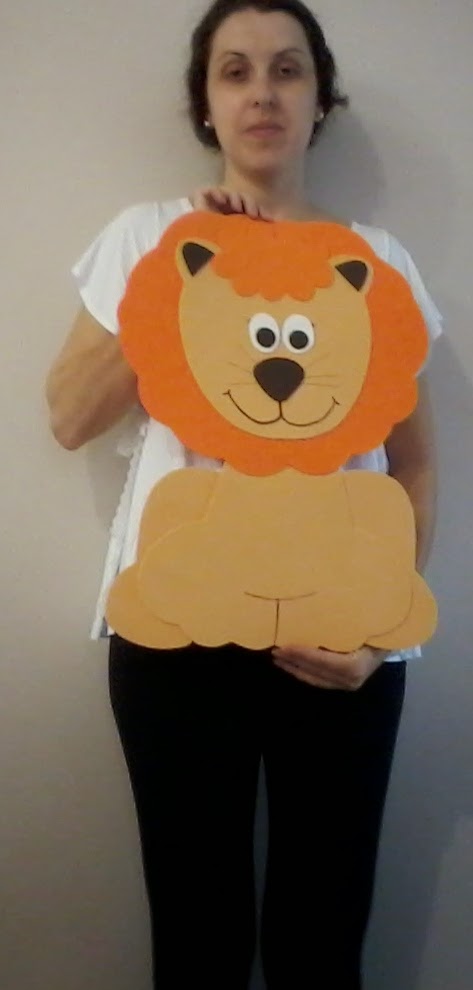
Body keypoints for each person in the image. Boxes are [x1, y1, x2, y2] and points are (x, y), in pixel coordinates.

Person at [45, 1, 442, 987]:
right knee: (196, 936)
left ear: (319, 100)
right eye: (234, 71)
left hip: (341, 640)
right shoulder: (150, 237)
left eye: (286, 69)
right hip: (174, 631)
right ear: (206, 106)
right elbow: (70, 416)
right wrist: (182, 272)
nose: (262, 92)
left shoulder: (374, 260)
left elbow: (414, 465)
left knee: (323, 937)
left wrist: (381, 632)